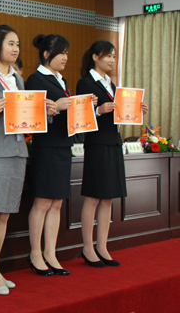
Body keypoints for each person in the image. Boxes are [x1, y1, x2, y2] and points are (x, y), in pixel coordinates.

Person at [0, 25, 56, 295]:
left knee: (4, 214)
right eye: (10, 44)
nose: (15, 49)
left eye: (17, 44)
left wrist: (43, 111)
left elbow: (24, 116)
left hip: (18, 151)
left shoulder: (18, 79)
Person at [76, 40, 148, 267]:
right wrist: (98, 110)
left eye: (114, 56)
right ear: (95, 57)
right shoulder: (85, 82)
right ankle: (88, 248)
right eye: (108, 55)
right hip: (97, 143)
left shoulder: (112, 85)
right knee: (93, 196)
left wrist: (137, 110)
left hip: (114, 142)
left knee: (108, 197)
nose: (111, 60)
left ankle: (102, 247)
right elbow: (79, 115)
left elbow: (120, 113)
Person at [26, 34, 89, 276]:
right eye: (61, 53)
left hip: (63, 146)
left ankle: (51, 253)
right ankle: (35, 253)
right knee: (42, 202)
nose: (65, 57)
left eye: (67, 53)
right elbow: (31, 115)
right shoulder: (35, 79)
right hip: (46, 147)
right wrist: (56, 108)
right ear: (46, 54)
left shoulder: (61, 80)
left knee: (57, 203)